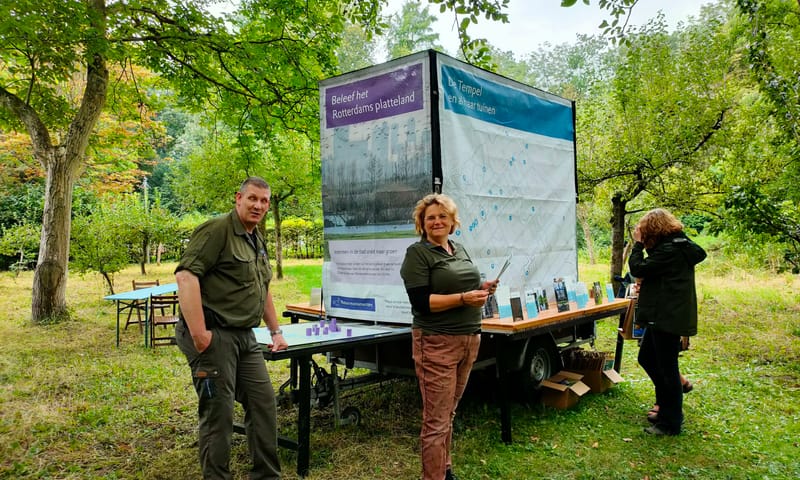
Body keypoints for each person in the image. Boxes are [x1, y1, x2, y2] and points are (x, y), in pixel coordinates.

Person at [175, 177, 289, 479]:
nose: (259, 206)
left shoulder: (255, 237)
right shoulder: (217, 230)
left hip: (246, 337)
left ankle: (267, 476)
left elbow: (262, 287)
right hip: (214, 336)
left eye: (264, 201)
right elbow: (186, 277)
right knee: (219, 416)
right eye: (253, 198)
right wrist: (200, 335)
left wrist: (276, 331)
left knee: (264, 404)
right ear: (238, 198)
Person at [400, 193, 498, 480]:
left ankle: (444, 468)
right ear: (422, 223)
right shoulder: (417, 254)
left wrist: (483, 286)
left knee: (449, 413)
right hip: (436, 342)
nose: (437, 221)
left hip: (468, 340)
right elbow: (421, 302)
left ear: (453, 221)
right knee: (436, 420)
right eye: (430, 217)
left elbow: (460, 282)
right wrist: (465, 299)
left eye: (442, 216)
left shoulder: (459, 248)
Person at [628, 208, 706, 436]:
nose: (641, 235)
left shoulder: (670, 250)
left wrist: (637, 245)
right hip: (664, 314)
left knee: (667, 368)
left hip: (667, 316)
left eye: (643, 231)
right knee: (648, 358)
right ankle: (665, 405)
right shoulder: (677, 244)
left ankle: (670, 423)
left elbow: (637, 268)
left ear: (653, 230)